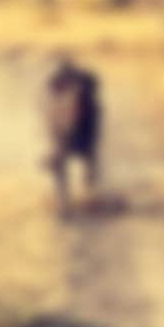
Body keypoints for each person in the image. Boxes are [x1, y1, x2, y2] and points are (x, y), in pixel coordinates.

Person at [43, 56, 101, 211]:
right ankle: (67, 198)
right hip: (69, 131)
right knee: (69, 161)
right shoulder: (64, 95)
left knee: (85, 161)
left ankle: (80, 195)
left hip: (81, 131)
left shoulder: (83, 94)